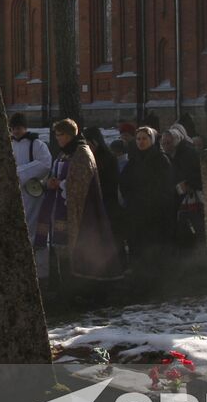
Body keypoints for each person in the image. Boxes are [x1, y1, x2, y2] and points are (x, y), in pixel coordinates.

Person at [34, 118, 123, 292]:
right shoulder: (63, 153)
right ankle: (64, 287)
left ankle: (81, 289)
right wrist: (49, 182)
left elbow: (80, 182)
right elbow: (56, 172)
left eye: (60, 135)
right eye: (56, 135)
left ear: (69, 135)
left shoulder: (82, 152)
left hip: (80, 210)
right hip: (60, 207)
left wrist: (59, 184)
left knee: (79, 249)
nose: (58, 138)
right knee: (61, 249)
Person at [118, 127, 176, 285]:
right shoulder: (134, 160)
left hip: (156, 213)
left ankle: (157, 281)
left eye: (144, 138)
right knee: (138, 245)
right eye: (138, 139)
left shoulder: (160, 159)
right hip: (136, 212)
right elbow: (124, 181)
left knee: (153, 247)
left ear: (152, 140)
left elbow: (164, 185)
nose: (141, 142)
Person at [10, 113, 53, 280]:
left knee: (36, 234)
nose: (16, 131)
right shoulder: (8, 143)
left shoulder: (36, 144)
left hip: (32, 194)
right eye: (13, 128)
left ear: (25, 127)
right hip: (15, 194)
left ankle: (41, 275)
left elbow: (45, 164)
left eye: (19, 127)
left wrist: (19, 173)